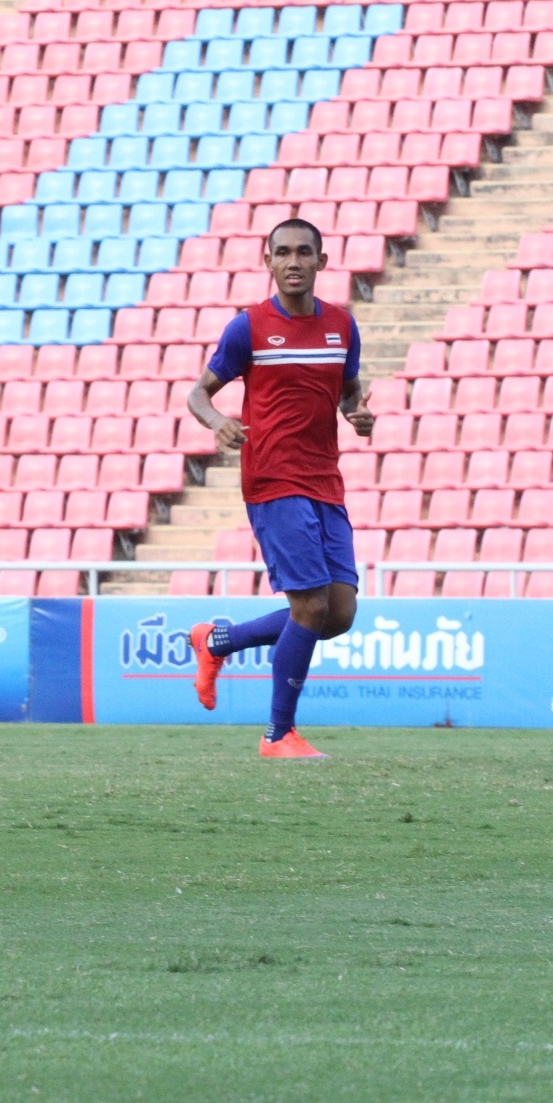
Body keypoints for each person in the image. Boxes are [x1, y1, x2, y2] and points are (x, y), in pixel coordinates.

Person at [183, 218, 374, 759]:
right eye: (283, 252)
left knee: (337, 614)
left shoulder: (342, 326)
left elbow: (349, 391)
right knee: (309, 605)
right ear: (267, 260)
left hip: (325, 479)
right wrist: (217, 421)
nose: (294, 262)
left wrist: (356, 415)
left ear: (321, 261)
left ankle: (217, 641)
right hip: (272, 478)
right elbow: (198, 394)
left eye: (304, 252)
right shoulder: (248, 327)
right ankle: (278, 734)